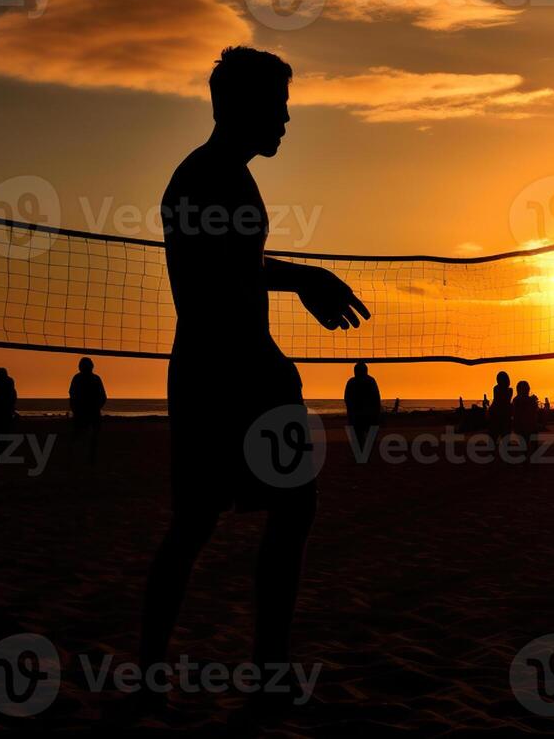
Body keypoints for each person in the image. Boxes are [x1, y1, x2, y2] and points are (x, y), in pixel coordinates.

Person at [140, 46, 368, 713]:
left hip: (218, 374)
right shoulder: (208, 176)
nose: (287, 118)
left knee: (221, 520)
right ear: (237, 107)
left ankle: (205, 670)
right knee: (234, 518)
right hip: (229, 375)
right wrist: (266, 363)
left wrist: (300, 277)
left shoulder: (222, 175)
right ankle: (254, 671)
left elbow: (235, 267)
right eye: (277, 105)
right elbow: (216, 288)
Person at [69, 357, 107, 464]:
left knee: (80, 438)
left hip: (82, 413)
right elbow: (103, 397)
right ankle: (91, 459)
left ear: (80, 367)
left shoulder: (77, 378)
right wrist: (96, 408)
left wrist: (75, 410)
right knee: (91, 439)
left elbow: (72, 396)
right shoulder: (96, 379)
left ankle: (82, 460)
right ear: (92, 367)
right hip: (91, 413)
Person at [343, 361, 382, 447]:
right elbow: (376, 399)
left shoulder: (351, 382)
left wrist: (350, 414)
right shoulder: (371, 381)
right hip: (368, 416)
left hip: (357, 417)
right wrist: (377, 415)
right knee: (367, 441)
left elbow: (347, 399)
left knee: (358, 440)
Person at [512, 380, 540, 452]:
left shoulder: (515, 400)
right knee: (531, 444)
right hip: (529, 425)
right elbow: (535, 413)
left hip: (520, 426)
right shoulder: (531, 400)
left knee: (524, 445)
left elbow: (514, 413)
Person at [488, 371, 513, 439]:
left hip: (497, 412)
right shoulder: (509, 390)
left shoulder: (496, 388)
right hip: (504, 412)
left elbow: (496, 400)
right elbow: (506, 401)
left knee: (494, 435)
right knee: (504, 436)